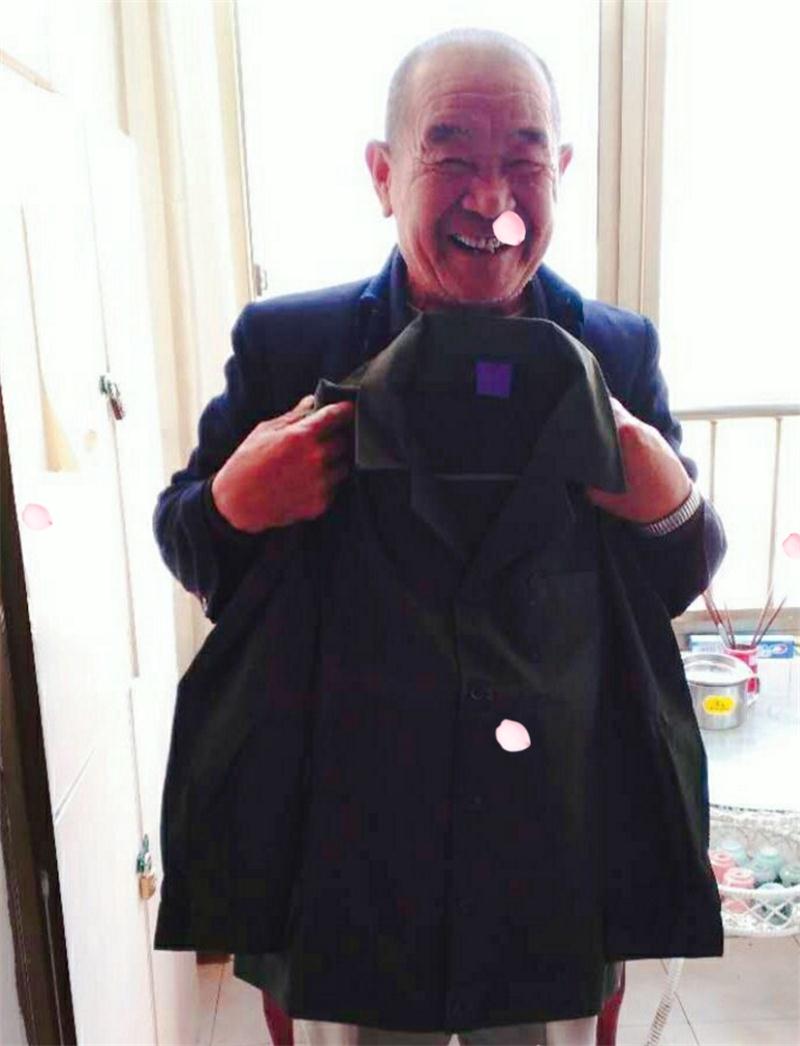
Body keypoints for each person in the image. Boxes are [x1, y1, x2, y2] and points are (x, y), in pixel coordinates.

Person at [154, 28, 725, 1046]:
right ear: (384, 175)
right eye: (451, 154)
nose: (490, 198)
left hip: (553, 834)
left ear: (560, 172)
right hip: (342, 840)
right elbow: (192, 546)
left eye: (523, 159)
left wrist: (662, 491)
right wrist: (234, 501)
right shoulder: (290, 343)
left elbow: (677, 575)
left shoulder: (615, 350)